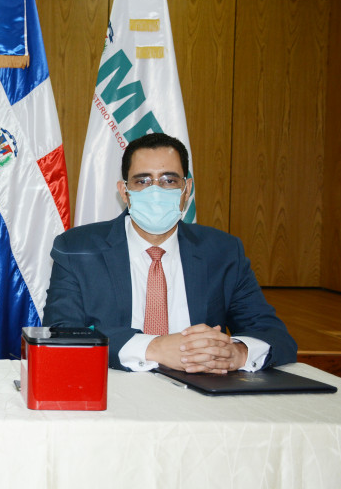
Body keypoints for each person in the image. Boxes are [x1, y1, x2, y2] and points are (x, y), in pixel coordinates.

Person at [44, 133, 297, 373]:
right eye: (142, 181)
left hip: (200, 390)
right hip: (115, 388)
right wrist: (154, 347)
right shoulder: (76, 248)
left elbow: (273, 335)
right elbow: (61, 333)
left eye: (169, 180)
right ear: (124, 192)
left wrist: (237, 353)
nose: (156, 191)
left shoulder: (224, 252)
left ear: (186, 190)